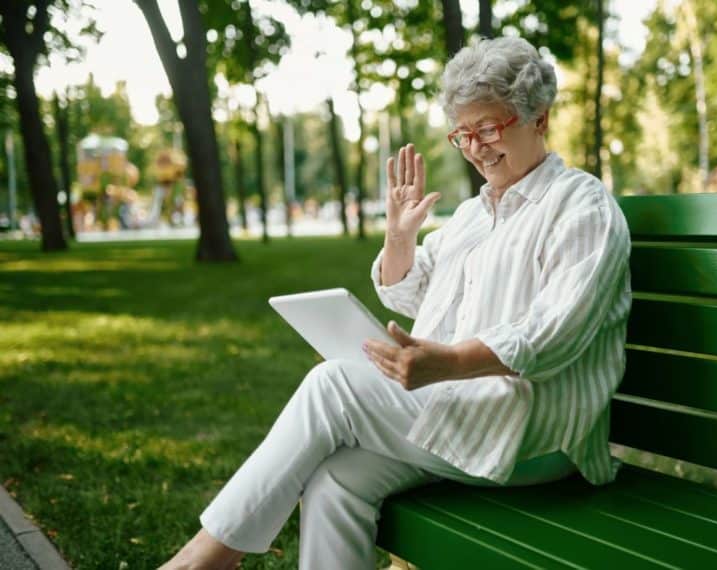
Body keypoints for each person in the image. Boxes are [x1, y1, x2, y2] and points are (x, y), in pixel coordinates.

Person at [160, 35, 631, 570]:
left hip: (537, 432)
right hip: (459, 412)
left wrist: (448, 363)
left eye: (488, 128)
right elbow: (414, 292)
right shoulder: (477, 214)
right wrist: (400, 237)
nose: (476, 148)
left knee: (333, 384)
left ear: (539, 119)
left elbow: (556, 332)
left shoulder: (582, 205)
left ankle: (203, 560)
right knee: (337, 480)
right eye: (463, 134)